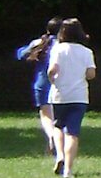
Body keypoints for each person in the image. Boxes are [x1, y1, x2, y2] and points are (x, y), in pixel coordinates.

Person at [46, 18, 96, 178]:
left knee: (58, 127)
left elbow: (52, 70)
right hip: (79, 96)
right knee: (73, 133)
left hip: (60, 95)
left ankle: (59, 155)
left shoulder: (58, 49)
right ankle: (68, 170)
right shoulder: (86, 52)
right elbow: (91, 74)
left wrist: (52, 80)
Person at [15, 17, 64, 161]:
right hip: (61, 83)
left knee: (46, 115)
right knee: (59, 115)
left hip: (42, 83)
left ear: (48, 30)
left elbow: (21, 54)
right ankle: (56, 139)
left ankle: (52, 136)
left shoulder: (40, 43)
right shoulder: (65, 45)